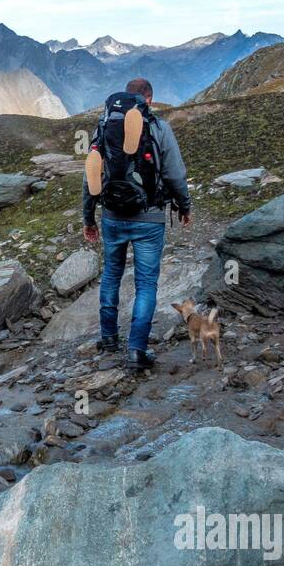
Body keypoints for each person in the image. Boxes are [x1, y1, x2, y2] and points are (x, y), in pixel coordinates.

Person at [82, 78, 191, 370]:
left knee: (111, 275)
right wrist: (184, 206)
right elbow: (175, 174)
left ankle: (108, 339)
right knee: (145, 284)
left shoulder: (104, 127)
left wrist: (88, 217)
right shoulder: (159, 127)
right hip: (149, 216)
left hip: (113, 215)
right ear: (149, 99)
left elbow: (90, 176)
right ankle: (136, 351)